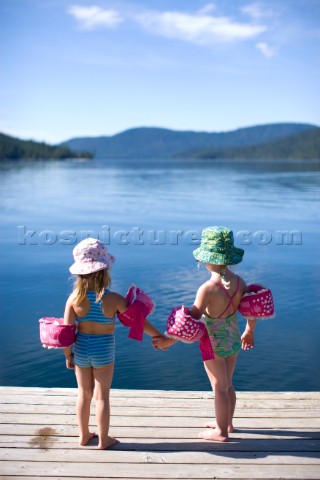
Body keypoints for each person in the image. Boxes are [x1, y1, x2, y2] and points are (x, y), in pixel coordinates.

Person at [152, 226, 257, 442]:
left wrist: (167, 342)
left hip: (214, 342)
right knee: (228, 384)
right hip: (233, 338)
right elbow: (250, 308)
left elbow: (189, 322)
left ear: (206, 260)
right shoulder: (239, 282)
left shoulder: (207, 289)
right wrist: (249, 331)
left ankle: (221, 432)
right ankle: (227, 422)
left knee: (219, 386)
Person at [64, 237, 162, 449]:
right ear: (104, 272)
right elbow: (138, 321)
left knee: (84, 394)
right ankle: (104, 439)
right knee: (102, 397)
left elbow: (66, 332)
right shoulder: (114, 299)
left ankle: (83, 435)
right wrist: (157, 335)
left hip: (81, 350)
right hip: (103, 352)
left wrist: (67, 355)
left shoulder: (73, 299)